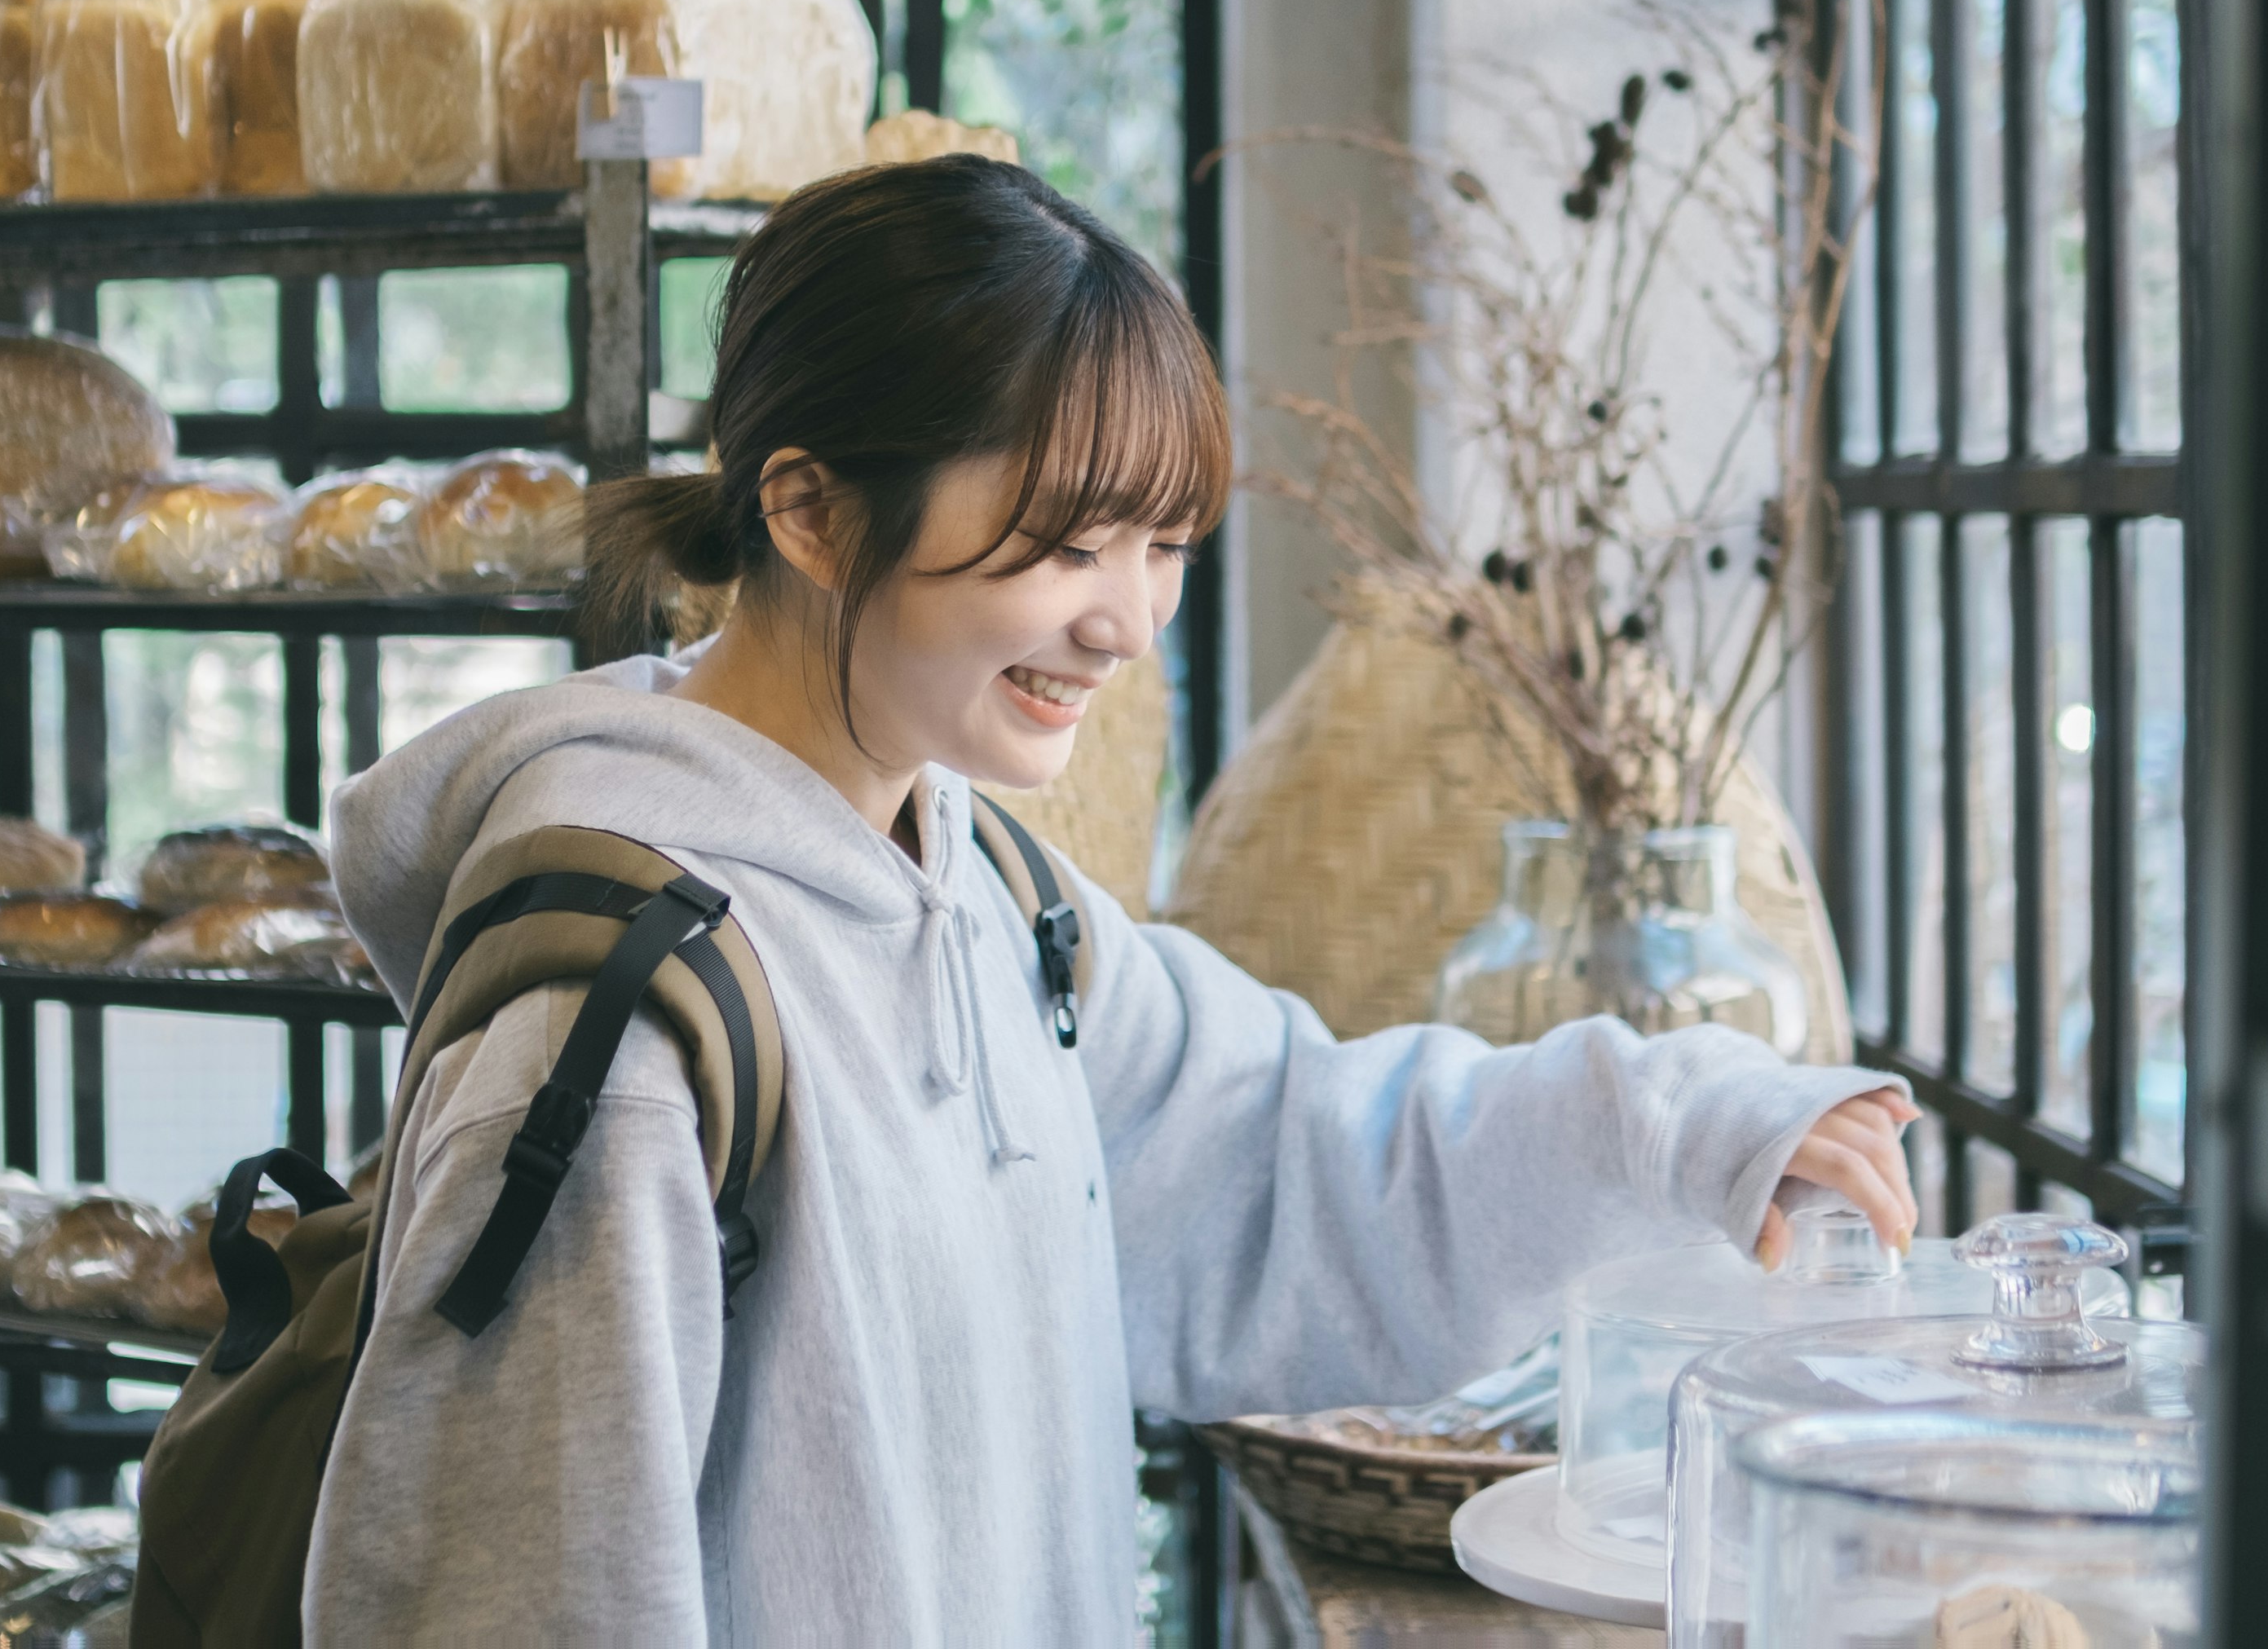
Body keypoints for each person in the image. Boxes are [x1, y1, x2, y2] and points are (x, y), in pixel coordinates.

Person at [308, 153, 1916, 1641]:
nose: (1127, 621)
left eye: (1163, 542)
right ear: (804, 508)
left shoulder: (991, 893)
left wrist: (1699, 1123)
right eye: (1068, 544)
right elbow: (506, 1597)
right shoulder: (615, 1027)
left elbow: (1305, 1156)